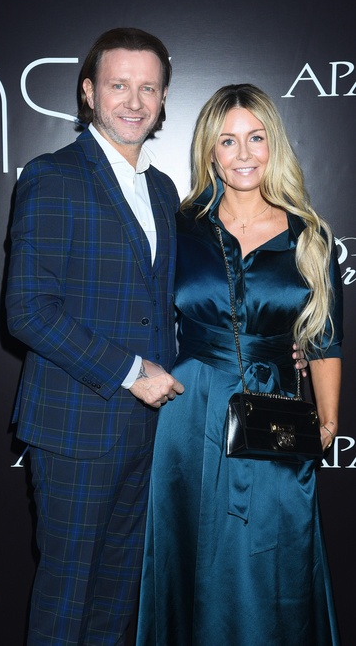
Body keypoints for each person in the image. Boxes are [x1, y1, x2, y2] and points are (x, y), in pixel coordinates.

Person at [136, 84, 343, 646]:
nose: (244, 154)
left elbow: (324, 340)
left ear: (274, 145)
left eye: (256, 138)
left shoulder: (310, 237)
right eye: (228, 141)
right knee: (191, 555)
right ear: (210, 151)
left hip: (276, 410)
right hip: (189, 414)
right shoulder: (179, 227)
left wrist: (327, 424)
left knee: (273, 558)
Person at [5, 27, 186, 645]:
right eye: (118, 85)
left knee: (118, 601)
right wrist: (131, 372)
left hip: (150, 433)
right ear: (89, 92)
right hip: (75, 431)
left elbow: (166, 305)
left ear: (163, 99)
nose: (134, 102)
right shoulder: (52, 176)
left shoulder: (163, 190)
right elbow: (28, 311)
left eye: (148, 88)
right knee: (67, 602)